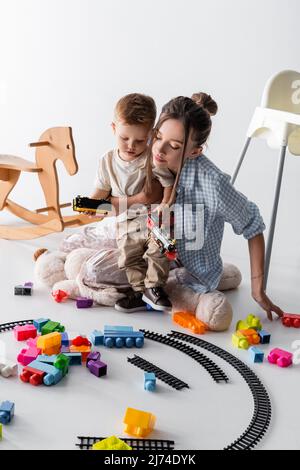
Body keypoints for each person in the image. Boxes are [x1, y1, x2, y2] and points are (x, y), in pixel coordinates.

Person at [146, 92, 283, 321]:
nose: (159, 149)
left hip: (187, 270)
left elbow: (252, 223)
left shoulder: (212, 184)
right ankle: (222, 275)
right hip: (149, 256)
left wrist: (258, 289)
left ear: (195, 151)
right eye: (158, 137)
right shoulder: (146, 157)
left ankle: (212, 283)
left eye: (175, 146)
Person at [91, 93, 174, 312]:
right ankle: (138, 291)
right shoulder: (107, 161)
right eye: (124, 138)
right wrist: (90, 205)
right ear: (113, 128)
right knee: (129, 255)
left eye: (140, 140)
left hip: (152, 216)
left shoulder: (152, 158)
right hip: (125, 220)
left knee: (160, 249)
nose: (131, 145)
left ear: (151, 135)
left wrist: (165, 205)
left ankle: (155, 287)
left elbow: (167, 183)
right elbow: (99, 195)